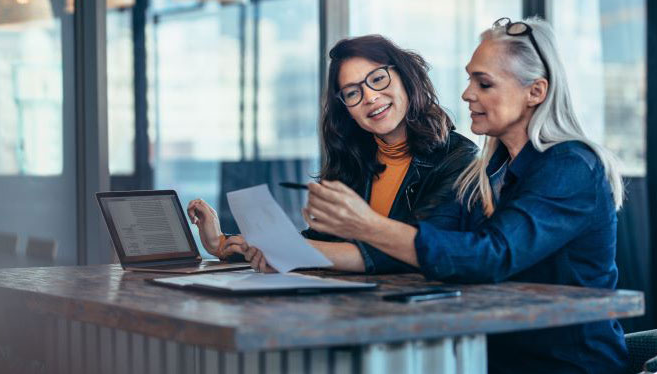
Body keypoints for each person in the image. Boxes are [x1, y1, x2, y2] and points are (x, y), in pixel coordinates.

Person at [293, 17, 629, 374]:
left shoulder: (571, 167)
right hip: (490, 358)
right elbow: (428, 242)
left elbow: (490, 256)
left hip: (563, 366)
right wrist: (288, 252)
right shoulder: (484, 173)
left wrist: (366, 223)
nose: (467, 94)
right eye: (470, 80)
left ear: (536, 92)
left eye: (483, 83)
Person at [188, 34, 477, 274]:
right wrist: (224, 244)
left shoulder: (459, 158)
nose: (370, 97)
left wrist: (289, 252)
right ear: (347, 110)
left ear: (405, 77)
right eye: (352, 93)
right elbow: (321, 242)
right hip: (352, 308)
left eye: (378, 79)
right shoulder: (355, 159)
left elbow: (414, 251)